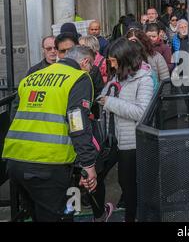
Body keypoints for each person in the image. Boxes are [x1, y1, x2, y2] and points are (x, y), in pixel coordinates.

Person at [3, 46, 98, 222]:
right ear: (85, 62)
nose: (90, 70)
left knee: (38, 214)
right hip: (50, 165)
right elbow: (77, 123)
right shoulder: (79, 78)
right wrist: (88, 164)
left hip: (16, 161)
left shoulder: (32, 77)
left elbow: (14, 113)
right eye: (91, 66)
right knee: (64, 214)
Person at [98, 38, 154, 222]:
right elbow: (107, 93)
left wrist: (110, 102)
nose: (111, 64)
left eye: (114, 60)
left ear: (124, 58)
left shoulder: (144, 79)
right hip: (115, 138)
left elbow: (141, 112)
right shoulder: (118, 75)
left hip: (132, 141)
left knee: (128, 184)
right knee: (122, 180)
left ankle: (132, 217)